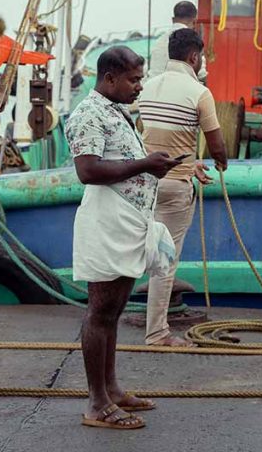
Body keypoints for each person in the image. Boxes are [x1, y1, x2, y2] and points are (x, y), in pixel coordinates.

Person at [66, 46, 185, 430]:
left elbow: (117, 162)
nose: (140, 85)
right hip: (107, 224)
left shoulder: (116, 111)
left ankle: (112, 389)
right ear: (110, 78)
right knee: (100, 312)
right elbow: (88, 170)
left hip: (127, 221)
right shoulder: (89, 113)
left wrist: (153, 166)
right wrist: (145, 164)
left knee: (114, 311)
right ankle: (97, 403)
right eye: (134, 79)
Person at [137, 28, 229, 346]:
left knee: (139, 253)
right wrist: (220, 162)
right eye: (200, 56)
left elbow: (145, 139)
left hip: (144, 184)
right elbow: (217, 146)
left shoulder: (147, 88)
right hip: (175, 188)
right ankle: (157, 333)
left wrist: (191, 163)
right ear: (194, 57)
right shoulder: (199, 92)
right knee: (166, 259)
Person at [148, 1, 207, 81]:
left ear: (173, 19)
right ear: (194, 21)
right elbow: (201, 74)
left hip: (154, 87)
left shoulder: (159, 41)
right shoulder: (192, 41)